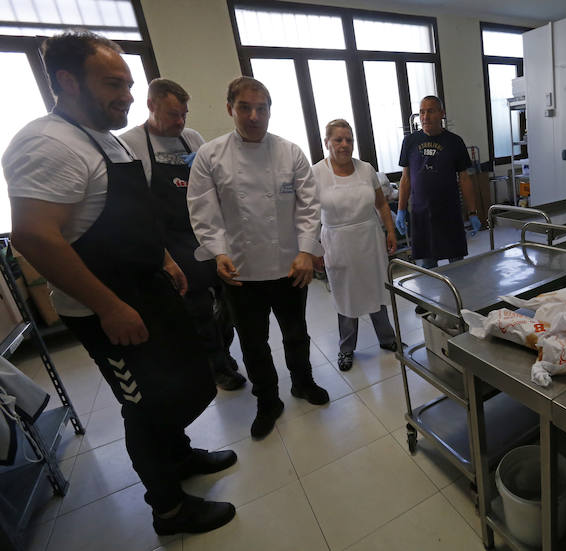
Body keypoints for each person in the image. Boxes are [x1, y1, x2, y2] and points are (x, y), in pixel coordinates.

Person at [2, 32, 236, 535]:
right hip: (107, 307)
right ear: (67, 81)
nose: (127, 95)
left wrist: (165, 259)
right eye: (113, 83)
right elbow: (34, 236)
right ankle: (169, 509)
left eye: (129, 84)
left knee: (183, 383)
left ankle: (180, 456)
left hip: (148, 286)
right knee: (144, 407)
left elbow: (127, 214)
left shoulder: (103, 135)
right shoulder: (46, 142)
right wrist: (108, 306)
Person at [187, 77, 329, 440]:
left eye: (261, 108)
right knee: (253, 343)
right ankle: (268, 400)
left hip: (290, 266)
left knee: (296, 333)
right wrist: (217, 251)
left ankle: (303, 382)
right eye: (245, 108)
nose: (254, 116)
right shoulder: (211, 155)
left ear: (269, 109)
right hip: (240, 270)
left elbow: (309, 206)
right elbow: (204, 211)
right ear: (229, 108)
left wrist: (306, 251)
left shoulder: (289, 152)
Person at [121, 79, 246, 391]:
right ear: (151, 105)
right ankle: (217, 366)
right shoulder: (131, 144)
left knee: (229, 303)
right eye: (173, 115)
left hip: (207, 234)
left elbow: (213, 186)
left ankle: (224, 352)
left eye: (184, 115)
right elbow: (134, 206)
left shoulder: (191, 139)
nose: (180, 122)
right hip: (173, 243)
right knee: (199, 311)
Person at [311, 119, 398, 371]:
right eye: (338, 140)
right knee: (345, 295)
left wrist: (390, 230)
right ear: (327, 142)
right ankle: (346, 348)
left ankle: (387, 338)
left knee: (376, 288)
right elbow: (308, 213)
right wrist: (312, 248)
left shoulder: (366, 169)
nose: (344, 145)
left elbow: (381, 204)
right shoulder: (317, 173)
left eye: (349, 140)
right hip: (337, 242)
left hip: (369, 238)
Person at [396, 95, 481, 269]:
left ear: (442, 113)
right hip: (421, 214)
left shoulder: (455, 142)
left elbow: (465, 179)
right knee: (427, 270)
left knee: (458, 269)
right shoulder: (410, 142)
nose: (425, 117)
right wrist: (401, 209)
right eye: (422, 112)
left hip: (449, 213)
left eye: (430, 111)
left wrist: (472, 212)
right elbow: (406, 178)